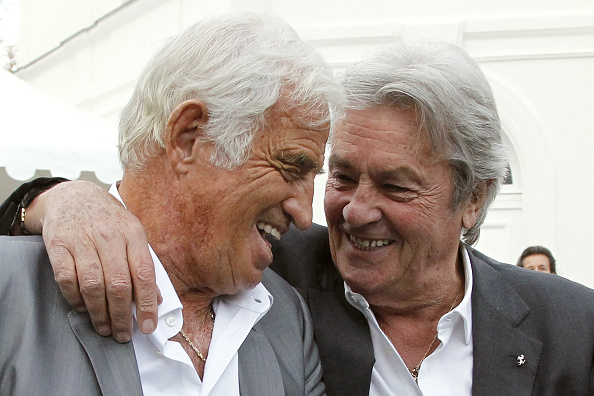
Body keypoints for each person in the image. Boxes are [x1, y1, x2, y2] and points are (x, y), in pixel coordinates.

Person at [3, 40, 594, 395]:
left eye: (395, 185)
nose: (352, 211)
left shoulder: (570, 327)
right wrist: (54, 198)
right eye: (341, 175)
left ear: (473, 197)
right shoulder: (279, 272)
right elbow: (171, 218)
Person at [0, 12, 345, 395]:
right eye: (291, 167)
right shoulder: (13, 289)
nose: (303, 213)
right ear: (188, 137)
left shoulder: (285, 317)